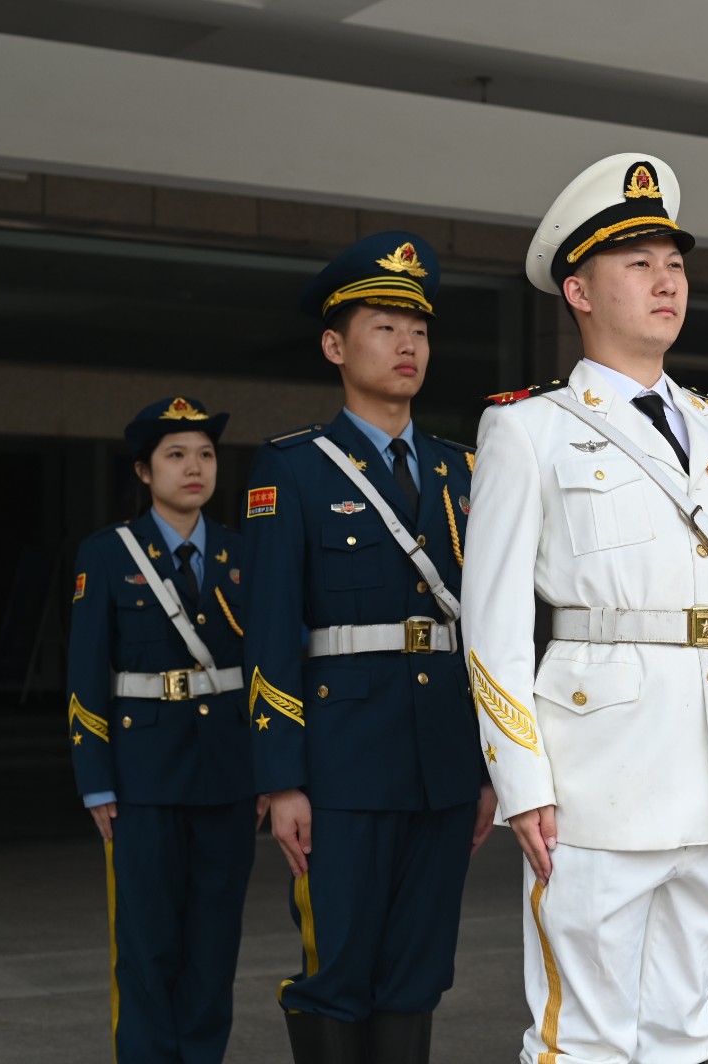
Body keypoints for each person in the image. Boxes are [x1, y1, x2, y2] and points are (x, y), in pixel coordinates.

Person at [460, 152, 708, 1064]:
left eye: (674, 264)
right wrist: (523, 782)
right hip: (593, 774)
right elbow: (490, 625)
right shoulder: (530, 429)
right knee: (582, 1037)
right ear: (579, 291)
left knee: (684, 1029)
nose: (666, 281)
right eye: (638, 264)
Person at [240, 231, 496, 1063]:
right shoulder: (294, 470)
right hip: (341, 765)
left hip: (443, 762)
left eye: (417, 330)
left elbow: (488, 628)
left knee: (419, 971)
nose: (406, 345)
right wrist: (282, 778)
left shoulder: (464, 472)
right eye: (384, 328)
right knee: (337, 969)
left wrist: (491, 768)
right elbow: (269, 632)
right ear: (335, 346)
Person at [66, 396, 262, 1064]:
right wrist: (95, 782)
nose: (194, 467)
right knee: (148, 946)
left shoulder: (243, 554)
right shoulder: (107, 554)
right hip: (141, 780)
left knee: (214, 944)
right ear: (144, 472)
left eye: (205, 454)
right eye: (175, 455)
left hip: (229, 777)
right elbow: (85, 675)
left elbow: (265, 670)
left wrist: (271, 771)